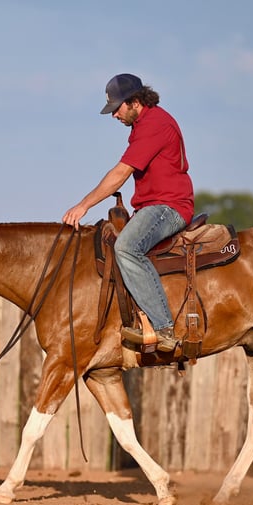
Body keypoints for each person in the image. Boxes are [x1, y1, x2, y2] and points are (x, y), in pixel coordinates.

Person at [63, 73, 194, 353]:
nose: (114, 116)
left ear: (135, 102)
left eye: (117, 108)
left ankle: (163, 329)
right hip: (151, 205)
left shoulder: (155, 124)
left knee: (126, 247)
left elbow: (121, 173)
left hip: (168, 207)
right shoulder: (142, 125)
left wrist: (83, 205)